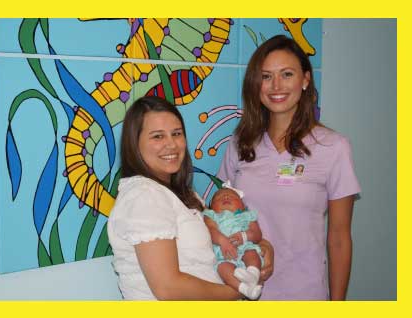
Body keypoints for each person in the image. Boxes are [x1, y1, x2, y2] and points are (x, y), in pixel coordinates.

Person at [218, 35, 361, 300]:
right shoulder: (240, 143)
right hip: (240, 292)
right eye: (266, 76)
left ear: (305, 79)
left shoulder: (334, 147)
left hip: (304, 292)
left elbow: (340, 237)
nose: (276, 86)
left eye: (286, 74)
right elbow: (218, 215)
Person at [107, 96, 274, 300]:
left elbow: (219, 239)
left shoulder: (183, 194)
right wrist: (237, 290)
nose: (171, 145)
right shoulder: (144, 195)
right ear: (135, 143)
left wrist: (263, 247)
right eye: (157, 136)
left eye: (176, 134)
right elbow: (169, 288)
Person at [203, 185, 264, 300]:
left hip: (245, 247)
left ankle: (253, 274)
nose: (225, 196)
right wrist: (222, 240)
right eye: (218, 197)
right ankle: (245, 290)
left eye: (232, 196)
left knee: (251, 253)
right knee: (222, 268)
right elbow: (211, 230)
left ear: (242, 205)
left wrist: (245, 235)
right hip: (224, 255)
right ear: (211, 207)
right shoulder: (211, 215)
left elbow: (257, 234)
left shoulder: (247, 215)